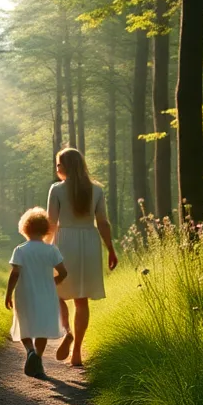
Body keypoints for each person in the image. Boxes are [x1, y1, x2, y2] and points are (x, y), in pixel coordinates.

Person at [46, 147, 118, 367]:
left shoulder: (56, 189)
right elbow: (103, 222)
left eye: (59, 164)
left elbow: (51, 223)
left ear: (66, 166)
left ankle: (67, 331)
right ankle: (76, 352)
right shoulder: (96, 190)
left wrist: (44, 249)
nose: (57, 168)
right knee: (81, 299)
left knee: (56, 291)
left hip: (64, 241)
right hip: (88, 242)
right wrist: (111, 249)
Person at [5, 207, 68, 379]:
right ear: (46, 229)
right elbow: (63, 273)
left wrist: (8, 293)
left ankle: (30, 351)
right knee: (41, 329)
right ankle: (38, 359)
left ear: (25, 228)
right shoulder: (51, 250)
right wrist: (51, 282)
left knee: (24, 326)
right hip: (46, 295)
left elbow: (15, 274)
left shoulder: (20, 250)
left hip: (24, 294)